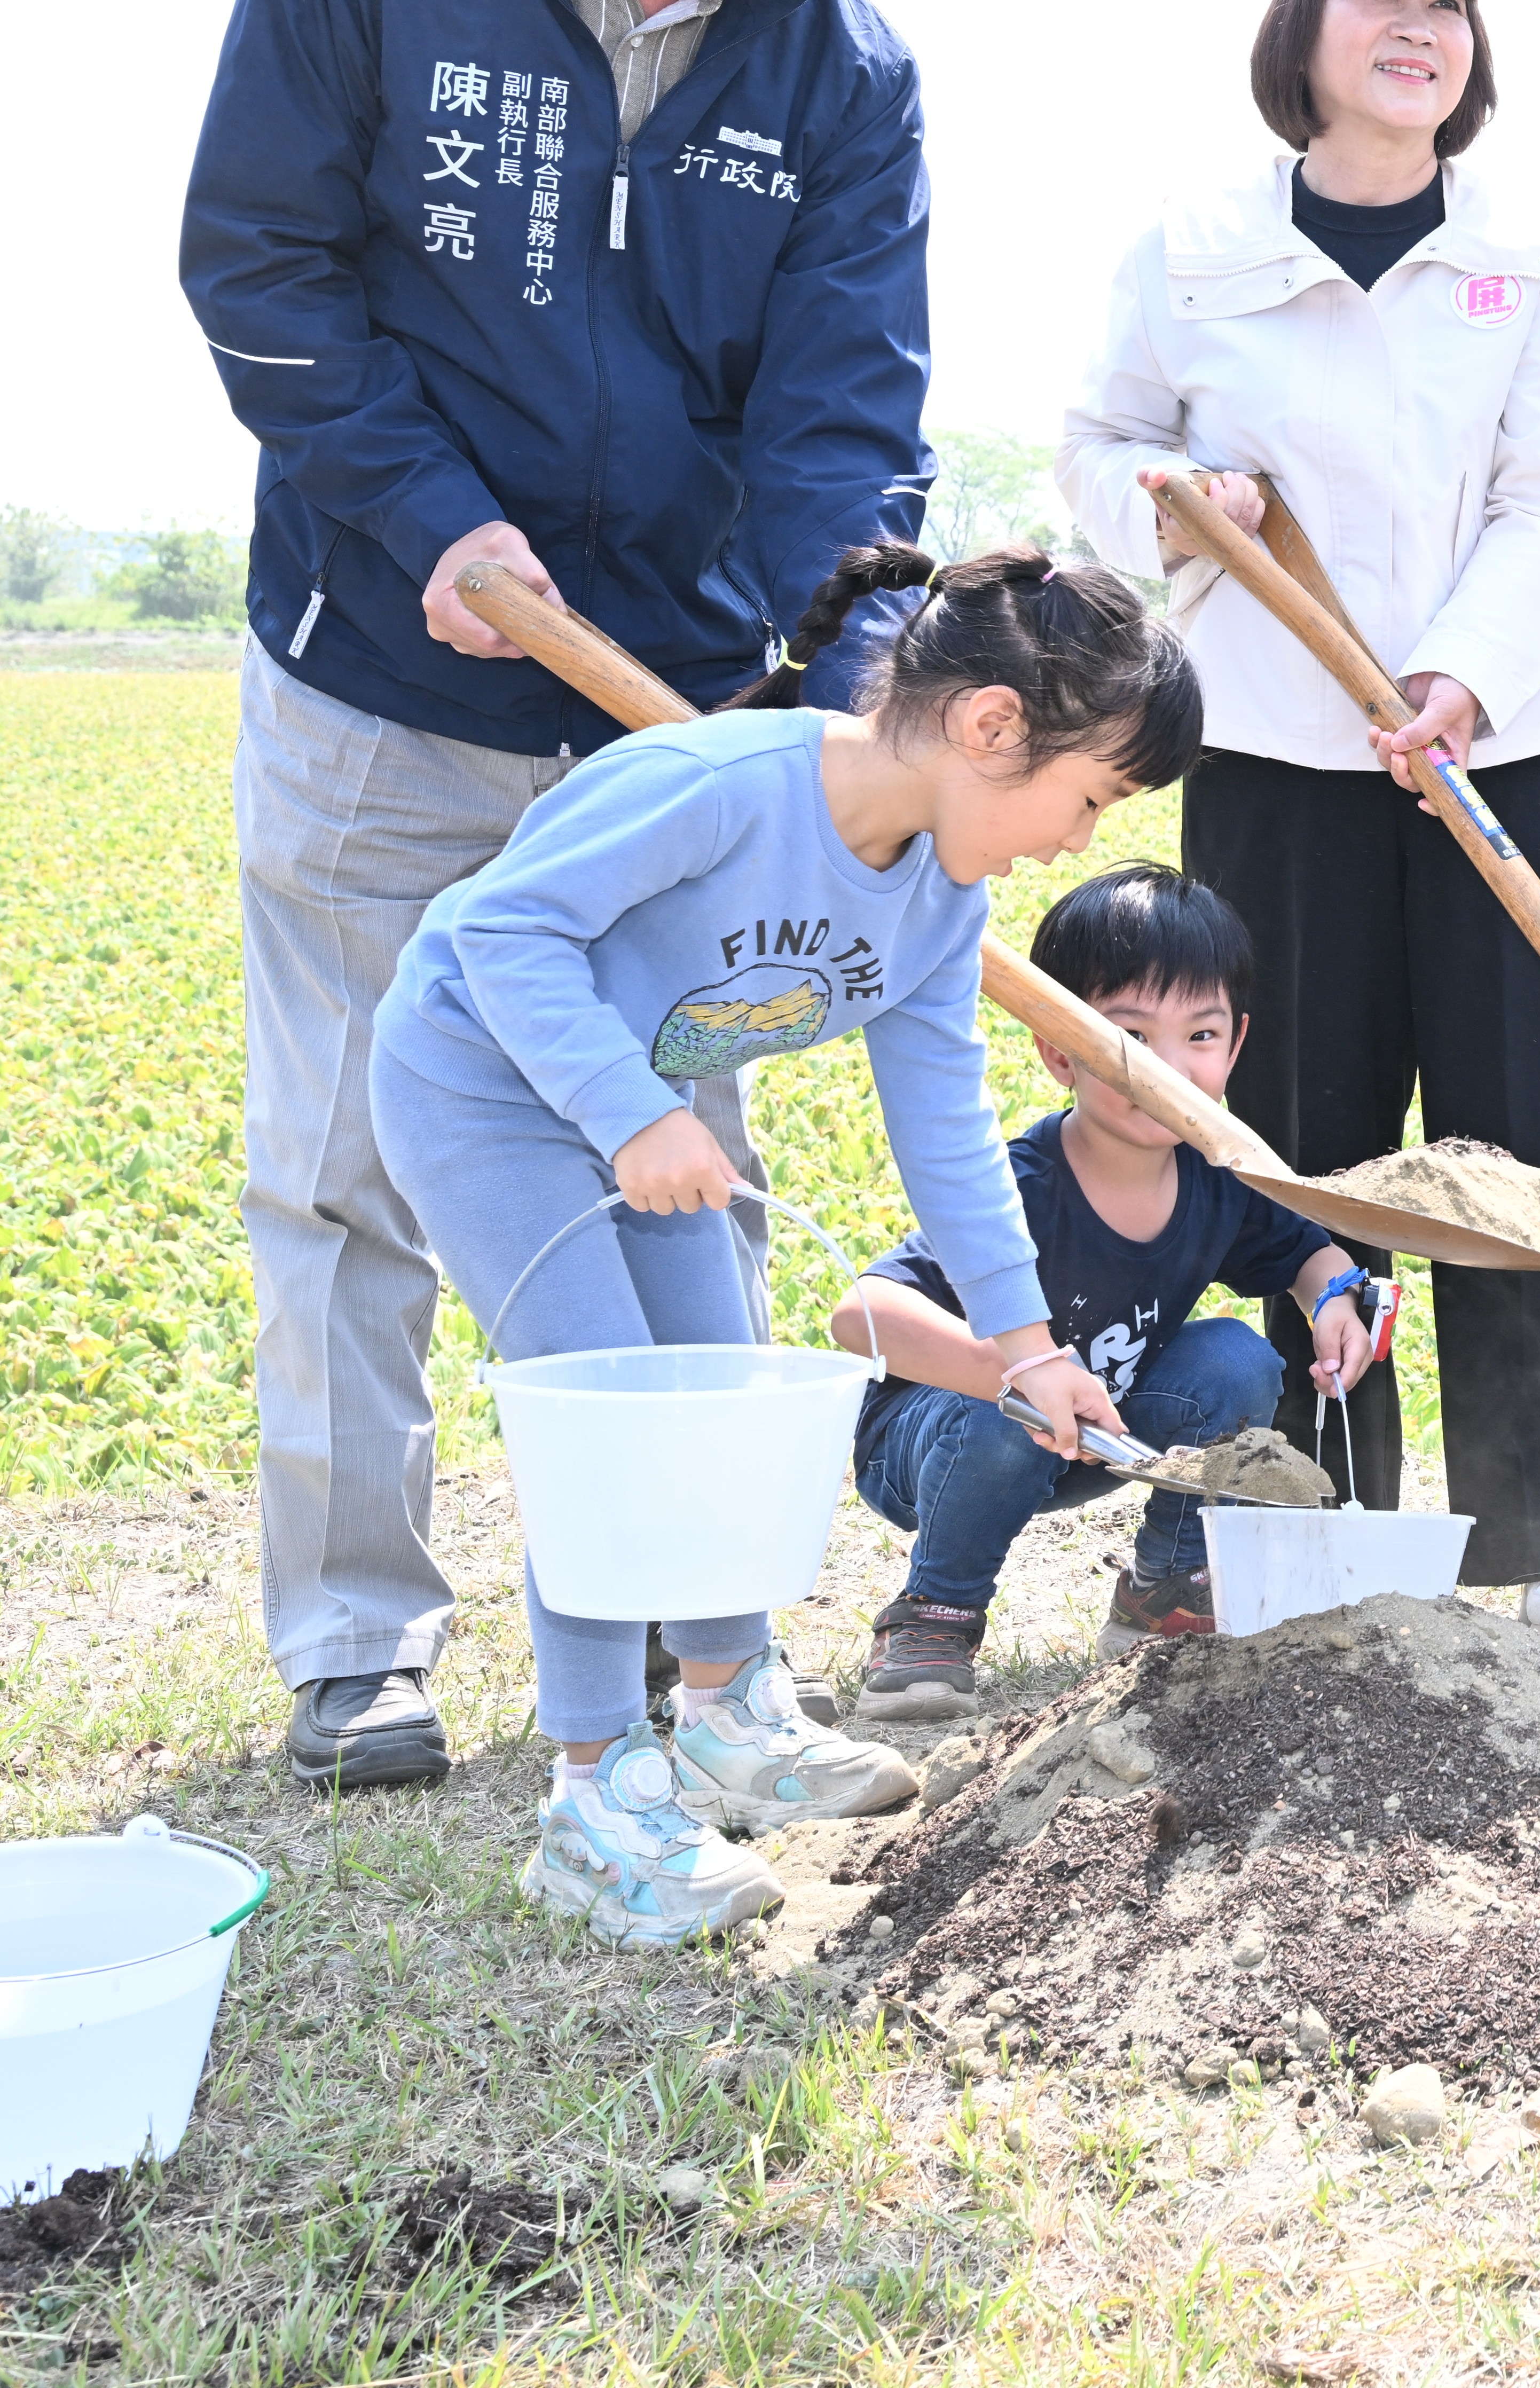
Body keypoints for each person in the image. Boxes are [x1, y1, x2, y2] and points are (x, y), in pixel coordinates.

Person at [183, 0, 953, 1793]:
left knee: (679, 1161)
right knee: (349, 1168)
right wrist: (427, 515)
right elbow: (261, 264)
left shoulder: (846, 75)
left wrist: (850, 706)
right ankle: (358, 1641)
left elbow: (842, 432)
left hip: (666, 736)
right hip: (381, 670)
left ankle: (715, 1662)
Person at [370, 548, 1195, 1944]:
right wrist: (631, 1113)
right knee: (607, 1421)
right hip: (482, 1085)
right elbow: (504, 931)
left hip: (647, 1107)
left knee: (719, 1397)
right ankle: (594, 1798)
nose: (1076, 841)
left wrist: (1028, 1345)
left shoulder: (939, 899)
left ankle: (725, 1715)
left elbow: (946, 1130)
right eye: (1093, 797)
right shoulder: (719, 787)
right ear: (992, 725)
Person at [1053, 0, 1540, 1645]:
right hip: (1278, 760)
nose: (1416, 23)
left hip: (1501, 751)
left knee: (1529, 1139)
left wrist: (1462, 673)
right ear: (1297, 26)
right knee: (1297, 1145)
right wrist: (1173, 504)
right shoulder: (1191, 251)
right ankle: (1315, 1537)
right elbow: (1099, 443)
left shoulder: (1538, 252)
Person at [838, 865, 1381, 1721]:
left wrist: (1337, 1299)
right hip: (942, 1447)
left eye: (1200, 1035)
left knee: (1238, 1359)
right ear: (1060, 1047)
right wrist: (1021, 1372)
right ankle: (935, 1611)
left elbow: (1305, 1250)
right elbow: (860, 1313)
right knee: (1002, 1411)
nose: (1167, 1068)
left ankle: (1166, 1585)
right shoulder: (1020, 1188)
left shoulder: (1216, 1177)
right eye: (1129, 1035)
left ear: (1236, 1046)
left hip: (1100, 1440)